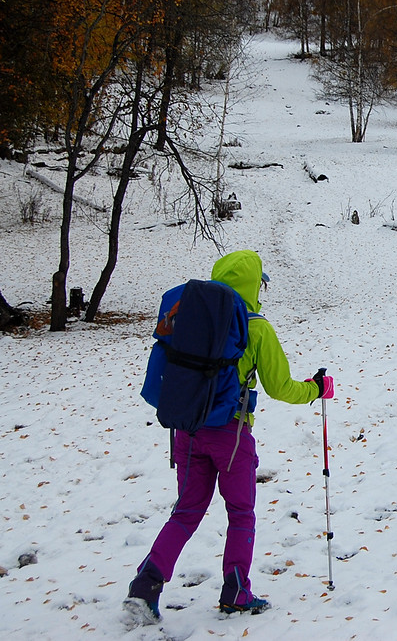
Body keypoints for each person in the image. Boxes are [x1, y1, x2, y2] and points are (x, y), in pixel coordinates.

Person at [125, 250, 334, 621]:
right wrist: (316, 389)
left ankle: (145, 586)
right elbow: (281, 387)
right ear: (254, 285)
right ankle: (236, 592)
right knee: (240, 513)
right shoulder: (256, 328)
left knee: (186, 511)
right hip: (231, 436)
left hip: (187, 430)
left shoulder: (191, 318)